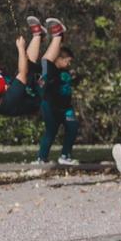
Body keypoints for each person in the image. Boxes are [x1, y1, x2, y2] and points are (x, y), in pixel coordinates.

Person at [28, 16, 79, 166]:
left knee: (72, 127)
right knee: (51, 131)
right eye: (68, 61)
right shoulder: (50, 70)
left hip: (65, 107)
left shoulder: (67, 73)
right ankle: (41, 158)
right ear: (59, 59)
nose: (69, 64)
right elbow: (43, 64)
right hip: (49, 106)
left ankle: (65, 155)